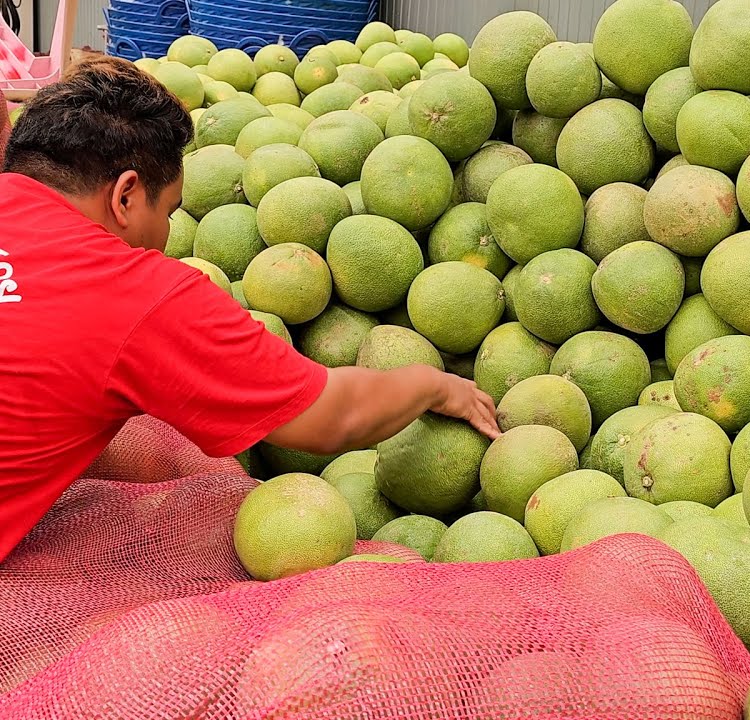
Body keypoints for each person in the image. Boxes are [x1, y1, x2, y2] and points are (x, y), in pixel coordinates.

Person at [0, 56, 500, 563]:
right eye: (169, 210)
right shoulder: (136, 296)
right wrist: (434, 385)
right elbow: (334, 416)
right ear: (127, 195)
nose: (168, 235)